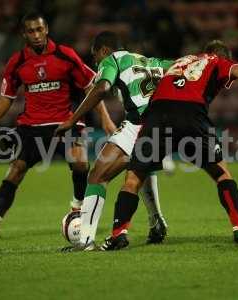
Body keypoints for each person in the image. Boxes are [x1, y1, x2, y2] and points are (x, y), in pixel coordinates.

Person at [98, 40, 238, 251]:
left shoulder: (181, 61)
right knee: (222, 173)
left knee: (134, 178)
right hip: (190, 113)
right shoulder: (217, 60)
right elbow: (236, 68)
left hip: (157, 112)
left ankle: (118, 235)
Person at [0, 12, 116, 240]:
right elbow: (6, 96)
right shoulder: (18, 62)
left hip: (64, 123)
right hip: (32, 126)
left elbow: (91, 87)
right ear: (24, 34)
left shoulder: (65, 55)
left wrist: (106, 120)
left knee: (80, 163)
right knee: (15, 171)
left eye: (40, 30)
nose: (37, 35)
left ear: (47, 29)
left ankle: (77, 207)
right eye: (31, 31)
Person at [55, 31, 174, 251]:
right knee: (140, 170)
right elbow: (180, 67)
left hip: (140, 123)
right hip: (166, 126)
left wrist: (73, 119)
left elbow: (102, 88)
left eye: (95, 56)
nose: (96, 62)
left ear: (104, 50)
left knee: (97, 176)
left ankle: (85, 241)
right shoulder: (150, 61)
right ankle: (156, 222)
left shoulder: (112, 60)